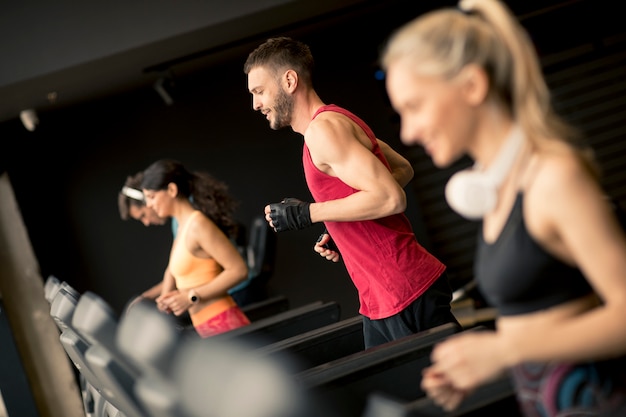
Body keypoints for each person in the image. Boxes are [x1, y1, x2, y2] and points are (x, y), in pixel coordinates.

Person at [381, 0, 626, 415]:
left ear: (472, 86)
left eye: (414, 106)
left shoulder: (552, 178)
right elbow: (542, 324)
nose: (407, 132)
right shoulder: (498, 190)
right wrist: (481, 367)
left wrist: (504, 348)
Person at [244, 36, 459, 349]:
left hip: (401, 288)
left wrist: (309, 213)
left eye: (259, 92)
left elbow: (390, 197)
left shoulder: (324, 130)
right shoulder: (335, 120)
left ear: (289, 80)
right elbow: (400, 169)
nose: (256, 104)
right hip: (381, 295)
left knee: (450, 392)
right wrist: (346, 224)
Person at [118, 171, 270, 308]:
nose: (146, 222)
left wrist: (161, 301)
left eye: (143, 215)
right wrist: (149, 297)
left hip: (238, 295)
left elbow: (174, 272)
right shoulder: (179, 220)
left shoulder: (190, 219)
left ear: (149, 198)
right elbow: (174, 269)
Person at [140, 159, 251, 337]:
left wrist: (190, 297)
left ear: (171, 190)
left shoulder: (197, 225)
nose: (149, 205)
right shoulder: (182, 226)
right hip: (208, 327)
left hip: (226, 326)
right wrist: (171, 298)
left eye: (152, 197)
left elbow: (239, 270)